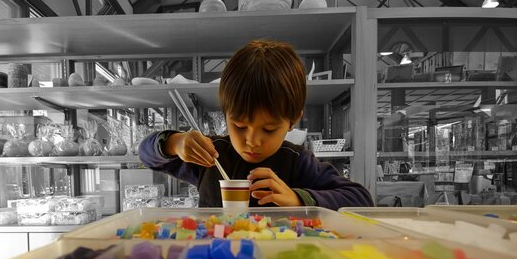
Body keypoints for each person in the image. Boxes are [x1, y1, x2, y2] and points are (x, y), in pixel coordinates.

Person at [139, 40, 373, 210]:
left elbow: (361, 199)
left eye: (269, 129)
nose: (252, 140)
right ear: (226, 114)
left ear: (292, 121)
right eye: (240, 125)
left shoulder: (296, 161)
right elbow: (146, 154)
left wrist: (297, 199)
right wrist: (174, 143)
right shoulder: (211, 155)